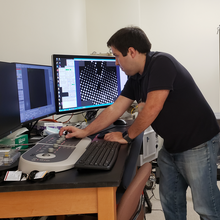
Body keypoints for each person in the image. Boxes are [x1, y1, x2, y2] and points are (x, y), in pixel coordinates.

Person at [59, 26, 220, 219]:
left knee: (206, 208)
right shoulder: (135, 78)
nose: (117, 63)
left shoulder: (162, 63)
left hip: (197, 144)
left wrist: (127, 136)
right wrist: (84, 132)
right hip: (171, 146)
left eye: (117, 56)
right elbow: (115, 108)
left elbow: (152, 108)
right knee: (171, 203)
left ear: (132, 52)